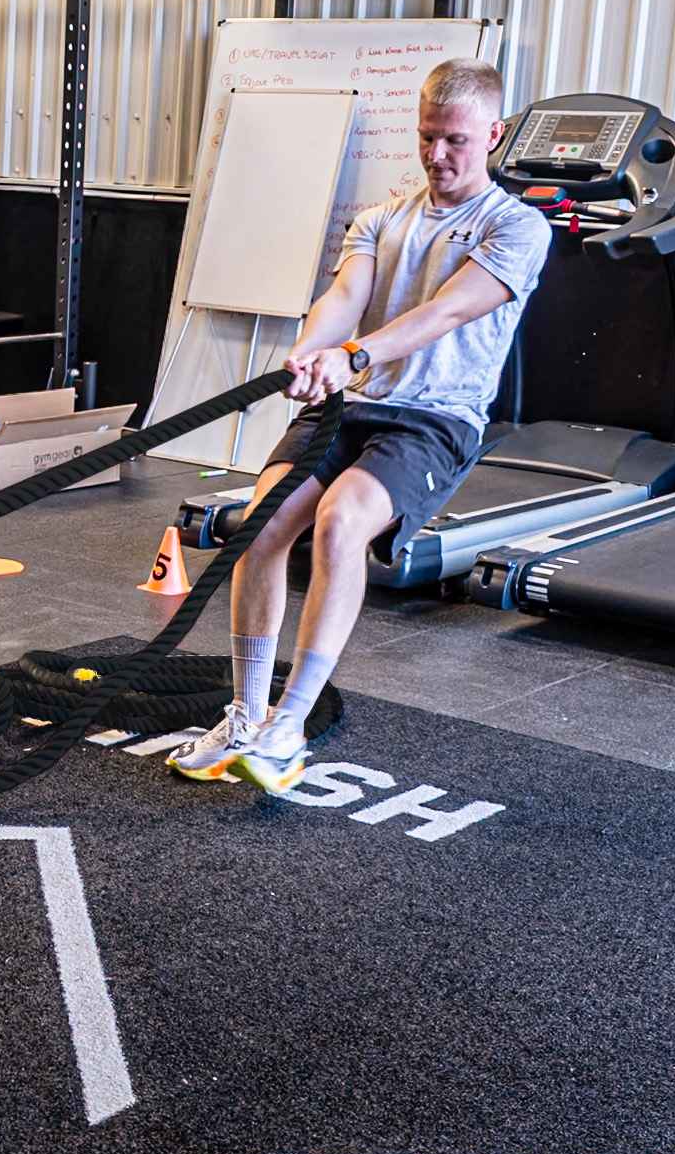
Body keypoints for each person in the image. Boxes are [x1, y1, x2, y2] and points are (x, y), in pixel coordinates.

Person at [169, 57, 552, 794]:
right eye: (426, 137)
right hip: (351, 398)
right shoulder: (381, 217)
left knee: (343, 523)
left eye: (455, 141)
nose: (436, 155)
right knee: (259, 524)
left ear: (493, 135)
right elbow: (346, 294)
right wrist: (312, 351)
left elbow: (446, 310)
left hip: (433, 416)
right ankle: (247, 714)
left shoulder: (516, 226)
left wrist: (352, 355)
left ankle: (290, 726)